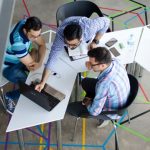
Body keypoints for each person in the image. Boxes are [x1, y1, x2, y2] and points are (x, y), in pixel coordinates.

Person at [35, 16, 110, 92]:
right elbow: (52, 58)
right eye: (67, 43)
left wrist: (95, 41)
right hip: (68, 22)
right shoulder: (60, 35)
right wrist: (42, 82)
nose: (70, 47)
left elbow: (106, 21)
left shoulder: (90, 28)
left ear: (81, 39)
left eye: (73, 45)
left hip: (84, 25)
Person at [67, 47, 130, 128]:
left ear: (102, 65)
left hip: (112, 111)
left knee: (70, 108)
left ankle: (104, 119)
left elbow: (94, 111)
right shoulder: (115, 61)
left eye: (91, 63)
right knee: (85, 82)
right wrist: (92, 66)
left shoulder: (104, 84)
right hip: (120, 98)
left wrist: (88, 103)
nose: (89, 64)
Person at [3, 16, 46, 114]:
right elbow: (32, 67)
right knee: (30, 87)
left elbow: (42, 44)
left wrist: (39, 63)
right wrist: (39, 63)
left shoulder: (27, 23)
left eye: (38, 35)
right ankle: (9, 96)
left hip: (20, 59)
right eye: (33, 36)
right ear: (25, 30)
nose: (35, 38)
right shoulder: (18, 43)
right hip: (8, 68)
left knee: (35, 52)